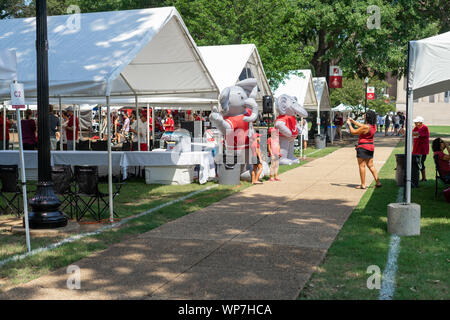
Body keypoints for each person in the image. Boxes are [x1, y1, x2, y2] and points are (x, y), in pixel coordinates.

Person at [347, 110, 382, 189]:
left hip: (363, 147)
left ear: (368, 117)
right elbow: (362, 126)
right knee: (371, 165)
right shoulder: (373, 126)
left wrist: (349, 124)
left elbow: (353, 132)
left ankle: (363, 184)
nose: (364, 116)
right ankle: (378, 182)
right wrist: (353, 121)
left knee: (362, 166)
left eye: (365, 115)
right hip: (370, 147)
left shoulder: (366, 127)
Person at [412, 116, 430, 182]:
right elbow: (412, 134)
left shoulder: (425, 128)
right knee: (414, 162)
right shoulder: (416, 128)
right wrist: (404, 133)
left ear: (421, 122)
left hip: (423, 150)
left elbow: (417, 134)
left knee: (421, 163)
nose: (415, 123)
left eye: (416, 122)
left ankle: (424, 178)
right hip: (416, 149)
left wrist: (406, 132)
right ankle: (415, 177)